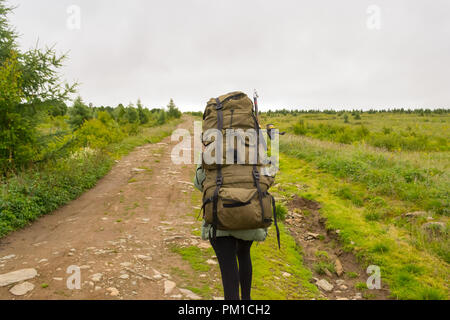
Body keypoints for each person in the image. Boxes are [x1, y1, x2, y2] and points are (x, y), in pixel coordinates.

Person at [193, 162, 268, 301]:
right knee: (244, 253)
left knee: (228, 268)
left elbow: (199, 182)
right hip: (249, 214)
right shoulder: (254, 145)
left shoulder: (212, 145)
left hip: (220, 217)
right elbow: (266, 179)